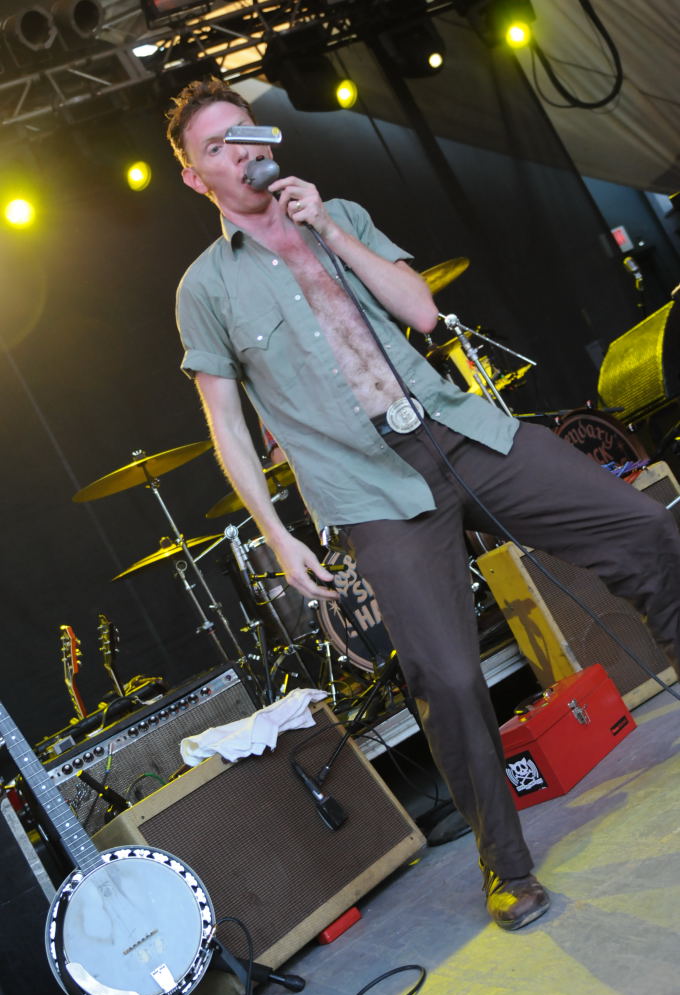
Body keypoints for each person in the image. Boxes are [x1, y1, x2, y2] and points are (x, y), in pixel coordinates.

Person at [166, 78, 680, 931]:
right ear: (196, 177)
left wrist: (328, 227)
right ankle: (504, 866)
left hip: (455, 430)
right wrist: (275, 532)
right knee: (446, 675)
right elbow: (225, 424)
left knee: (644, 525)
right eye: (217, 147)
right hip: (369, 486)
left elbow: (422, 311)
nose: (240, 152)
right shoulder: (205, 288)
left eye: (246, 133)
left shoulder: (339, 214)